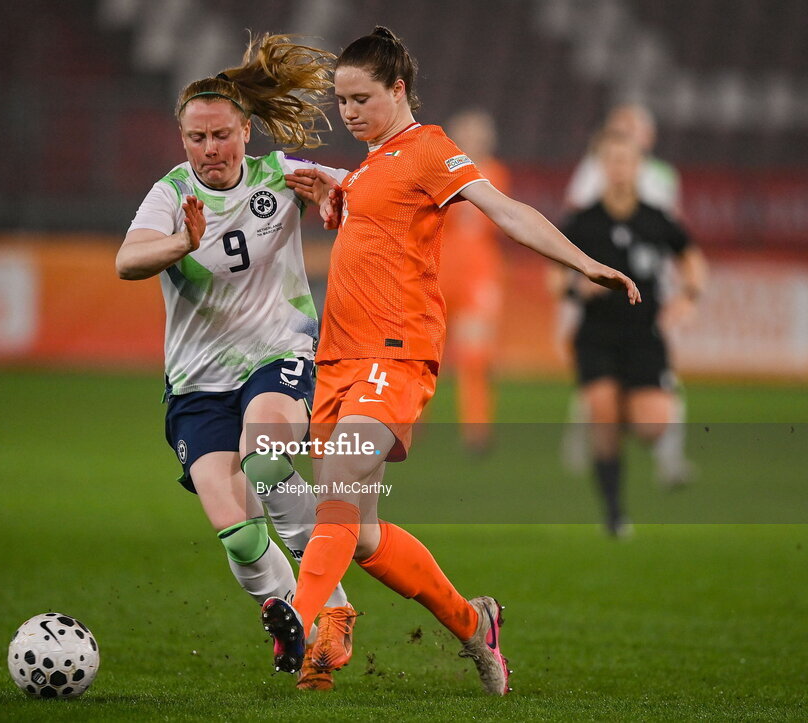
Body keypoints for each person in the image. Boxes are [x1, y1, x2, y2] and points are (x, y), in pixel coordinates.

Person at [269, 26, 640, 696]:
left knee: (342, 482)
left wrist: (583, 262)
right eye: (341, 100)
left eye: (361, 97)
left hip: (395, 352)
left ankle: (302, 618)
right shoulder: (371, 166)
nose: (348, 111)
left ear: (398, 88)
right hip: (337, 360)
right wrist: (331, 195)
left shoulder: (428, 148)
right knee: (356, 528)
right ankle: (475, 623)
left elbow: (504, 210)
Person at [115, 34, 356, 692]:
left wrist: (339, 197)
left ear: (244, 130)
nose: (209, 151)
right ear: (183, 140)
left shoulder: (281, 176)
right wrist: (178, 243)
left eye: (220, 135)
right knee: (239, 534)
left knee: (267, 456)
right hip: (196, 383)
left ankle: (330, 605)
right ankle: (289, 618)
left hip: (279, 350)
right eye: (195, 139)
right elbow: (126, 261)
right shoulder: (169, 196)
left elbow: (359, 195)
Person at [556, 130, 707, 537]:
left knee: (654, 425)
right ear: (600, 167)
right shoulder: (582, 222)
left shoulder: (656, 219)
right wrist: (574, 286)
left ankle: (615, 410)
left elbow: (691, 257)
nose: (619, 169)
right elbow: (553, 276)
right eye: (611, 161)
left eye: (626, 161)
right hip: (598, 334)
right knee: (603, 415)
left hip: (644, 335)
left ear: (639, 167)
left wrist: (690, 296)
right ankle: (614, 513)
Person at [437, 110, 511, 453]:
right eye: (466, 133)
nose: (473, 140)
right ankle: (406, 424)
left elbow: (499, 222)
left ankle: (476, 431)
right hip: (439, 272)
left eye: (478, 134)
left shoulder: (496, 173)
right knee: (425, 355)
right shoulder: (440, 170)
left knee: (473, 357)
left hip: (478, 276)